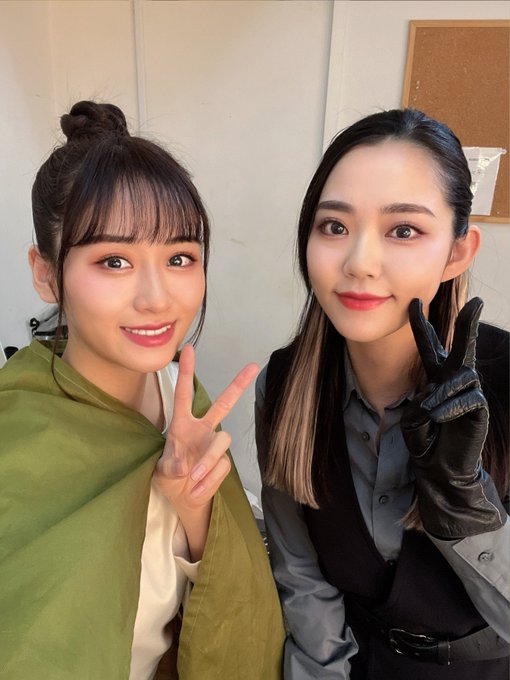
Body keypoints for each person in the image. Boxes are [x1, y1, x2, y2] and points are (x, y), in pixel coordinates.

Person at [0, 100, 284, 680]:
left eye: (179, 257)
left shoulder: (184, 397)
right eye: (113, 261)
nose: (157, 298)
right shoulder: (13, 429)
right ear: (46, 273)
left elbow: (226, 609)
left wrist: (195, 507)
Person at [255, 108, 509, 680]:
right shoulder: (286, 386)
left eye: (404, 230)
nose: (359, 263)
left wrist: (464, 502)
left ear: (457, 252)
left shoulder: (508, 379)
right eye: (334, 227)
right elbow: (303, 580)